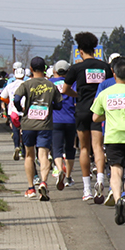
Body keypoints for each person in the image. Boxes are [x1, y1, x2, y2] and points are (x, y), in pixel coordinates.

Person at [91, 60, 125, 223]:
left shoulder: (105, 93)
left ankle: (117, 200)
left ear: (114, 74)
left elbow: (95, 116)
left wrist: (108, 115)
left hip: (113, 136)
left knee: (115, 170)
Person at [62, 32, 113, 203]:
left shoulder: (76, 68)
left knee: (84, 148)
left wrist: (78, 95)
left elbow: (65, 90)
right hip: (99, 109)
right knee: (98, 147)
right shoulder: (105, 67)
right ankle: (100, 180)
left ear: (80, 51)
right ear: (94, 49)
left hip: (82, 108)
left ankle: (87, 189)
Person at [14, 57, 62, 201]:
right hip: (45, 125)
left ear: (31, 68)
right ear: (45, 68)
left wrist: (21, 110)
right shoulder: (51, 85)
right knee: (43, 154)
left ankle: (30, 188)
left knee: (29, 155)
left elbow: (16, 99)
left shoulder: (26, 84)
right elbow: (59, 105)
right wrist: (50, 106)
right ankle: (43, 182)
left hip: (28, 124)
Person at [49, 61, 77, 190]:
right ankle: (69, 177)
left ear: (55, 70)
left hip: (55, 119)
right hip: (71, 119)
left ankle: (60, 169)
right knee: (70, 148)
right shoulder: (73, 83)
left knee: (57, 148)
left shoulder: (50, 83)